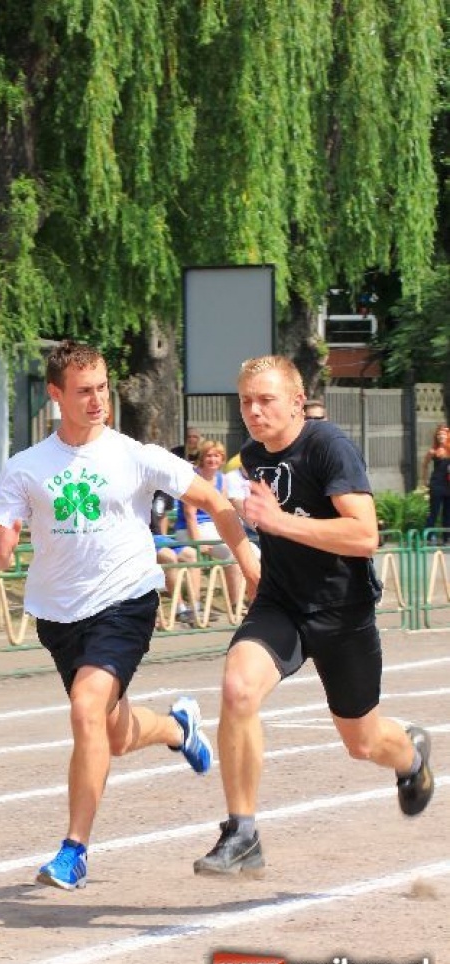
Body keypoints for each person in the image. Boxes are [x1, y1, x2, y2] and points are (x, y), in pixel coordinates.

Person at [0, 340, 260, 891]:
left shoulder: (135, 454)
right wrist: (2, 544)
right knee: (110, 732)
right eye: (83, 391)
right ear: (56, 395)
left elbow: (213, 500)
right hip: (60, 616)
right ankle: (178, 729)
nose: (97, 400)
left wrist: (249, 565)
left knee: (87, 710)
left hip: (126, 600)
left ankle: (73, 852)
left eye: (102, 388)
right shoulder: (25, 467)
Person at [193, 355, 434, 878]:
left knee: (362, 742)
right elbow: (247, 517)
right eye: (246, 402)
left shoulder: (329, 447)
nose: (253, 412)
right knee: (237, 689)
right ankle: (243, 833)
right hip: (281, 604)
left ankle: (411, 757)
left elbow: (365, 536)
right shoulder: (253, 456)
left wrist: (280, 523)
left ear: (298, 402)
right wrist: (252, 556)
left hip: (342, 613)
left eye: (265, 400)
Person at [172, 440, 245, 605]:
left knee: (245, 552)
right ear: (202, 458)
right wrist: (199, 543)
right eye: (209, 456)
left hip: (212, 528)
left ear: (222, 459)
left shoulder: (222, 479)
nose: (213, 460)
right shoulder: (193, 478)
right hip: (190, 530)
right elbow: (189, 514)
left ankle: (240, 603)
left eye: (217, 456)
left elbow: (223, 510)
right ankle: (231, 604)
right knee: (232, 554)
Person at [151, 491, 202, 624]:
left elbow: (163, 516)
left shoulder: (163, 490)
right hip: (142, 539)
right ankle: (180, 609)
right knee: (169, 557)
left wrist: (163, 536)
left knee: (191, 555)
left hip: (159, 538)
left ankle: (195, 608)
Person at [420, 423, 450, 544]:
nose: (440, 436)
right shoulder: (433, 451)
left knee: (448, 512)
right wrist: (425, 480)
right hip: (436, 484)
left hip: (448, 485)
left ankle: (446, 537)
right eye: (438, 434)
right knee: (434, 511)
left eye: (443, 434)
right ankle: (429, 536)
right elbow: (425, 465)